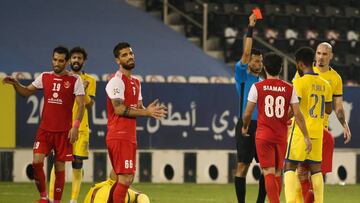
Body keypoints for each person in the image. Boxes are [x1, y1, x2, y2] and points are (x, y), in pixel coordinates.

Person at [2, 46, 85, 203]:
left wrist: (75, 126)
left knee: (59, 167)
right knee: (36, 161)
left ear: (67, 62)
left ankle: (56, 201)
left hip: (63, 132)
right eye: (55, 59)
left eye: (61, 61)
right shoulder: (45, 77)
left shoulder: (75, 80)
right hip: (45, 130)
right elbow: (26, 91)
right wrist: (16, 84)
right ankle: (43, 196)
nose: (57, 63)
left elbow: (80, 105)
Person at [242, 53, 311, 203]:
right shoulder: (289, 88)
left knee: (268, 172)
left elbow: (247, 113)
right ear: (280, 68)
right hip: (280, 136)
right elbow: (298, 114)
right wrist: (306, 136)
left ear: (264, 68)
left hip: (263, 135)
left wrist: (245, 126)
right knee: (278, 173)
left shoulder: (257, 87)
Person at [105, 42, 167, 203]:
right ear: (117, 61)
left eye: (131, 53)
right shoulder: (116, 81)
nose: (129, 56)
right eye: (124, 55)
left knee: (124, 178)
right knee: (125, 179)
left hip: (129, 136)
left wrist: (149, 111)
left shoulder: (135, 82)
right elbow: (118, 109)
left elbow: (138, 107)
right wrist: (145, 112)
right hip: (119, 135)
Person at [295, 42, 352, 203]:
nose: (320, 57)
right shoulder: (303, 71)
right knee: (301, 171)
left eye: (324, 54)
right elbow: (294, 101)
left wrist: (344, 125)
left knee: (315, 173)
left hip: (320, 130)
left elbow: (338, 107)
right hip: (301, 128)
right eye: (318, 53)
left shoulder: (335, 78)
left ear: (331, 56)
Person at [284, 47, 333, 203]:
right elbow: (329, 109)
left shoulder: (299, 83)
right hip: (318, 132)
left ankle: (291, 201)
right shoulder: (325, 84)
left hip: (300, 132)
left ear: (299, 64)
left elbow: (294, 111)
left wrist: (283, 119)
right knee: (316, 170)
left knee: (290, 166)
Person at [48, 47, 97, 203]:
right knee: (58, 162)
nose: (76, 60)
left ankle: (73, 200)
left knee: (77, 163)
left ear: (84, 61)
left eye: (79, 58)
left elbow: (90, 104)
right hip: (62, 127)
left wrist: (84, 89)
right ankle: (51, 198)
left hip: (81, 128)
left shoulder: (91, 80)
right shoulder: (63, 78)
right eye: (74, 58)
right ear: (69, 60)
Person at [234, 13, 267, 203]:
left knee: (267, 167)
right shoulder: (242, 76)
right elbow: (245, 54)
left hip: (262, 127)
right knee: (242, 167)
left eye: (261, 61)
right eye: (256, 60)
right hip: (245, 126)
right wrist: (251, 27)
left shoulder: (263, 82)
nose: (259, 63)